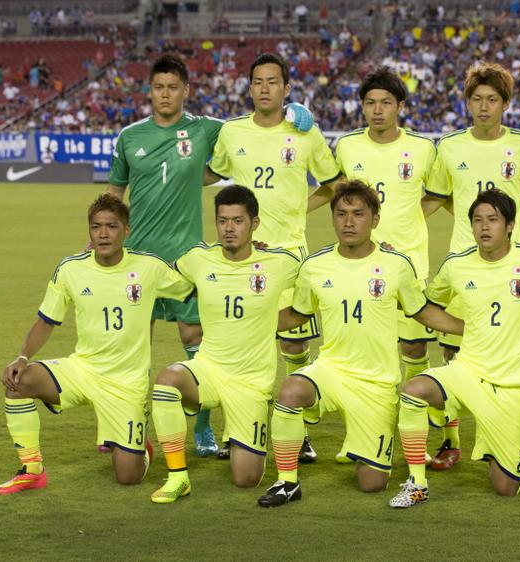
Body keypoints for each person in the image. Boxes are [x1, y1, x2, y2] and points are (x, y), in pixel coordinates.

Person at [108, 54, 316, 458]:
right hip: (139, 259)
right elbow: (114, 193)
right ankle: (125, 424)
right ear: (149, 91)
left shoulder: (205, 129)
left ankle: (203, 428)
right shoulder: (130, 136)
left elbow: (255, 121)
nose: (165, 94)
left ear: (186, 91)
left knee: (197, 339)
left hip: (188, 258)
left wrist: (294, 111)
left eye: (173, 87)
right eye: (158, 87)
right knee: (133, 346)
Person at [256, 181, 464, 507]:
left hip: (376, 384)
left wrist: (469, 328)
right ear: (332, 219)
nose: (349, 222)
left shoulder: (397, 265)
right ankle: (287, 482)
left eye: (358, 214)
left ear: (375, 220)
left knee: (372, 484)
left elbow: (424, 312)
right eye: (341, 214)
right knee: (290, 391)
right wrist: (248, 322)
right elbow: (296, 314)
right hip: (332, 371)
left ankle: (365, 445)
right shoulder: (315, 266)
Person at [0, 194, 194, 494]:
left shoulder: (149, 267)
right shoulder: (71, 269)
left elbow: (192, 285)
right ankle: (32, 469)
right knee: (18, 381)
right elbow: (46, 320)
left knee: (127, 477)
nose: (103, 234)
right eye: (96, 226)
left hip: (126, 383)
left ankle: (141, 449)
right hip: (83, 369)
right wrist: (22, 356)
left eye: (111, 226)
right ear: (88, 230)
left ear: (126, 231)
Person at [389, 189, 520, 507]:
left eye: (493, 220)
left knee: (505, 488)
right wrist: (463, 326)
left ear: (510, 225)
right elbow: (425, 306)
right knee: (413, 390)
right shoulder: (457, 266)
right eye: (477, 220)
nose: (484, 227)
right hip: (467, 371)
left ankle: (509, 447)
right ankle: (417, 483)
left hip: (514, 386)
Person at [208, 52, 343, 463]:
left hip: (289, 253)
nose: (265, 88)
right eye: (258, 82)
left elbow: (334, 183)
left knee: (294, 343)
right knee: (240, 343)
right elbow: (211, 172)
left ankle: (296, 428)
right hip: (242, 257)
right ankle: (238, 428)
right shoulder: (231, 133)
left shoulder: (304, 132)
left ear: (286, 88)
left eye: (273, 82)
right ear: (249, 89)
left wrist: (299, 207)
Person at [422, 62, 520, 471]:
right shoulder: (450, 147)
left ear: (506, 104)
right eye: (477, 99)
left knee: (511, 359)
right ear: (467, 103)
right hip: (462, 262)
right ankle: (450, 441)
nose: (484, 106)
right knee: (455, 353)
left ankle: (509, 442)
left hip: (514, 269)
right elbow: (435, 197)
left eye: (492, 99)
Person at [149, 185, 301, 503]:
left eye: (238, 221)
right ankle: (178, 477)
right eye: (222, 220)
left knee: (246, 479)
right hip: (209, 369)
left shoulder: (279, 264)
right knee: (168, 381)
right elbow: (158, 279)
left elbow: (320, 284)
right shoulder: (197, 259)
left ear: (254, 223)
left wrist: (278, 322)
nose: (229, 229)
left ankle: (241, 436)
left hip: (251, 383)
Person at [334, 66, 438, 413]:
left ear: (400, 106)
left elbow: (438, 194)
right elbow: (339, 195)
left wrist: (407, 219)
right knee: (365, 347)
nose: (378, 110)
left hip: (409, 263)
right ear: (362, 107)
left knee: (414, 348)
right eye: (370, 103)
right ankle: (369, 415)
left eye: (386, 103)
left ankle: (415, 412)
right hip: (360, 265)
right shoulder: (347, 146)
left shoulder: (423, 148)